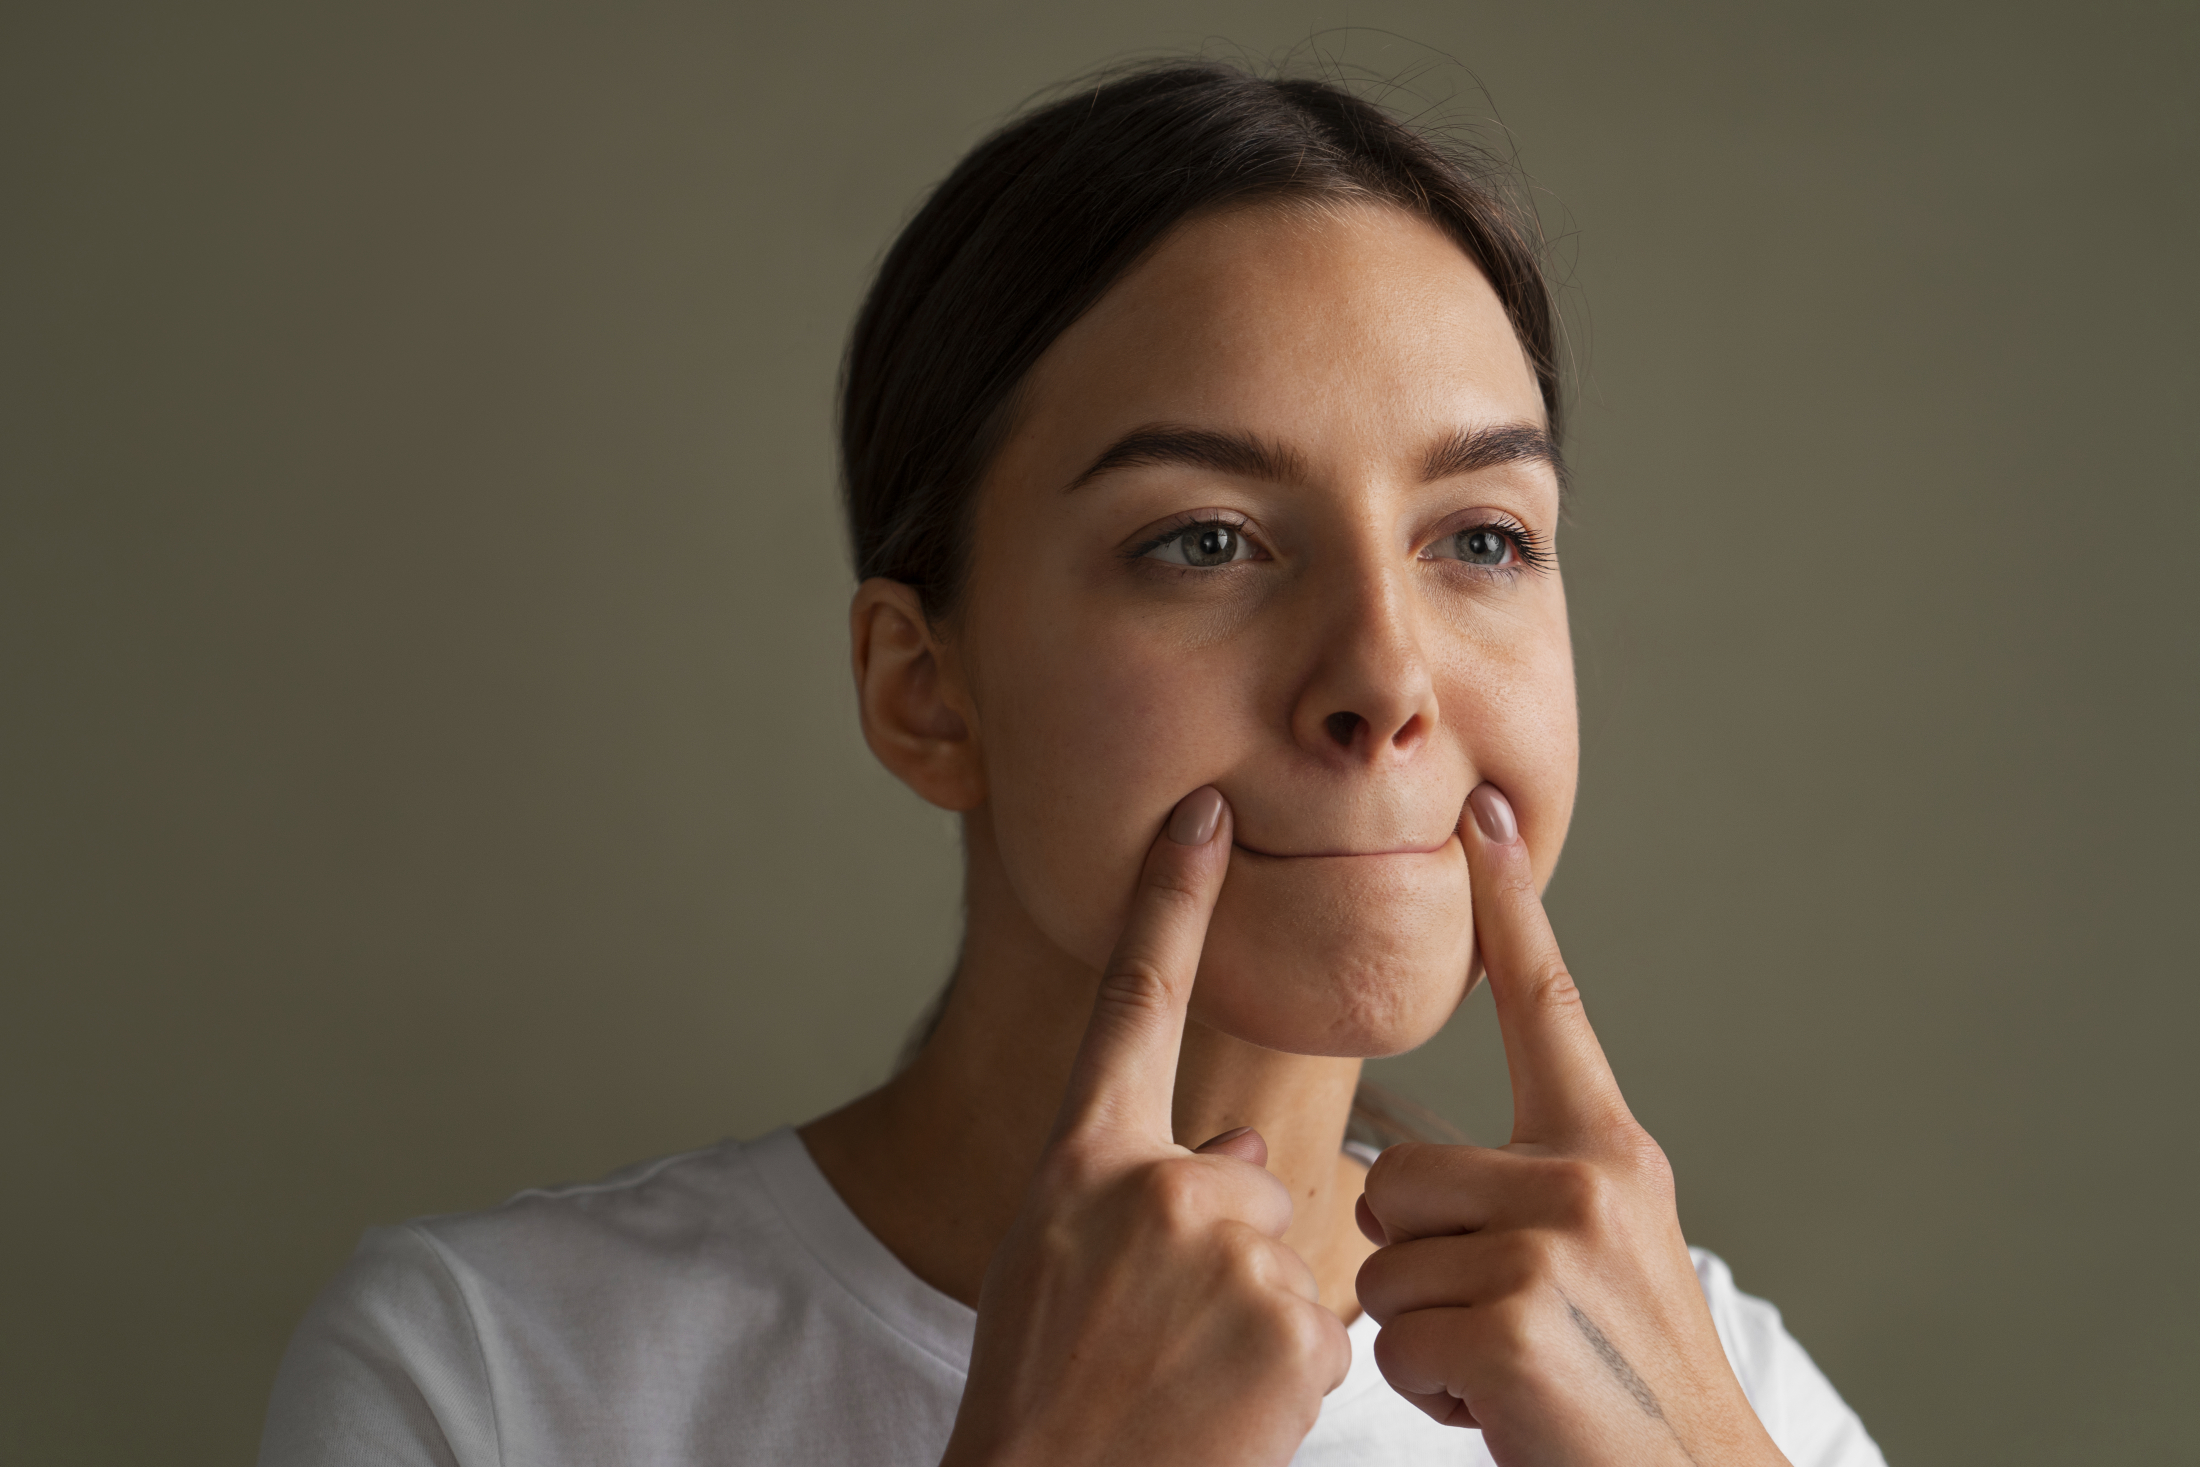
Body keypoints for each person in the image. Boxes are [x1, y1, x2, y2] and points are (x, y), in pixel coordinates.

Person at [259, 62, 1885, 1467]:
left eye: (1482, 537)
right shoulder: (489, 1380)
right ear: (928, 694)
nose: (1386, 678)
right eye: (1205, 540)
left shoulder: (1719, 1386)